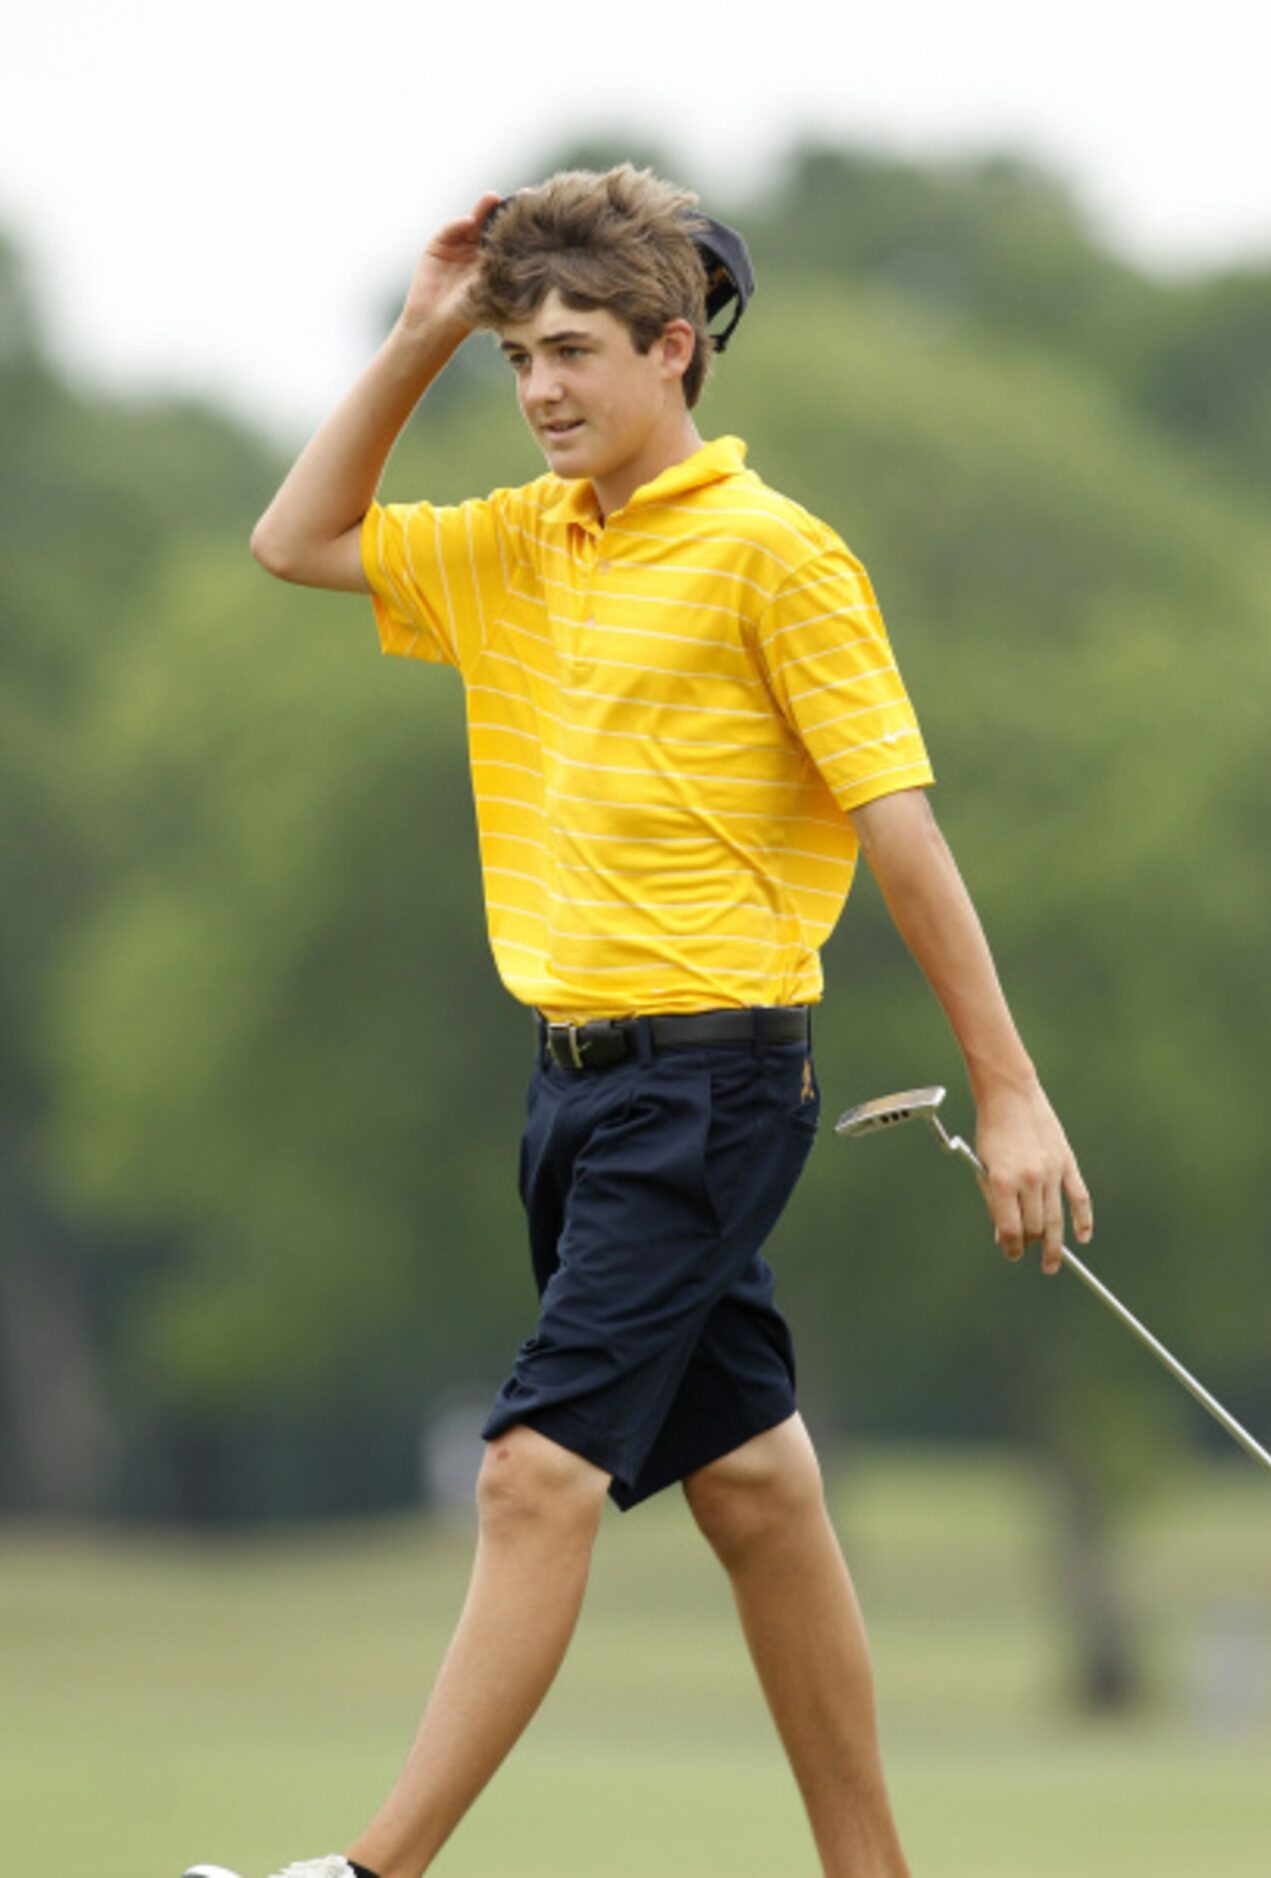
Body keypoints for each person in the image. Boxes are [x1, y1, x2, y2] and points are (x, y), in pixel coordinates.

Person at [188, 164, 1092, 1878]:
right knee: (753, 1488)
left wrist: (1012, 1087)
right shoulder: (520, 542)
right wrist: (416, 336)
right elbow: (293, 536)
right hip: (576, 1096)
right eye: (516, 352)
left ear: (674, 350)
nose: (535, 387)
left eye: (574, 349)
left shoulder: (777, 556)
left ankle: (375, 1872)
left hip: (711, 1085)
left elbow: (900, 825)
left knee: (531, 1472)